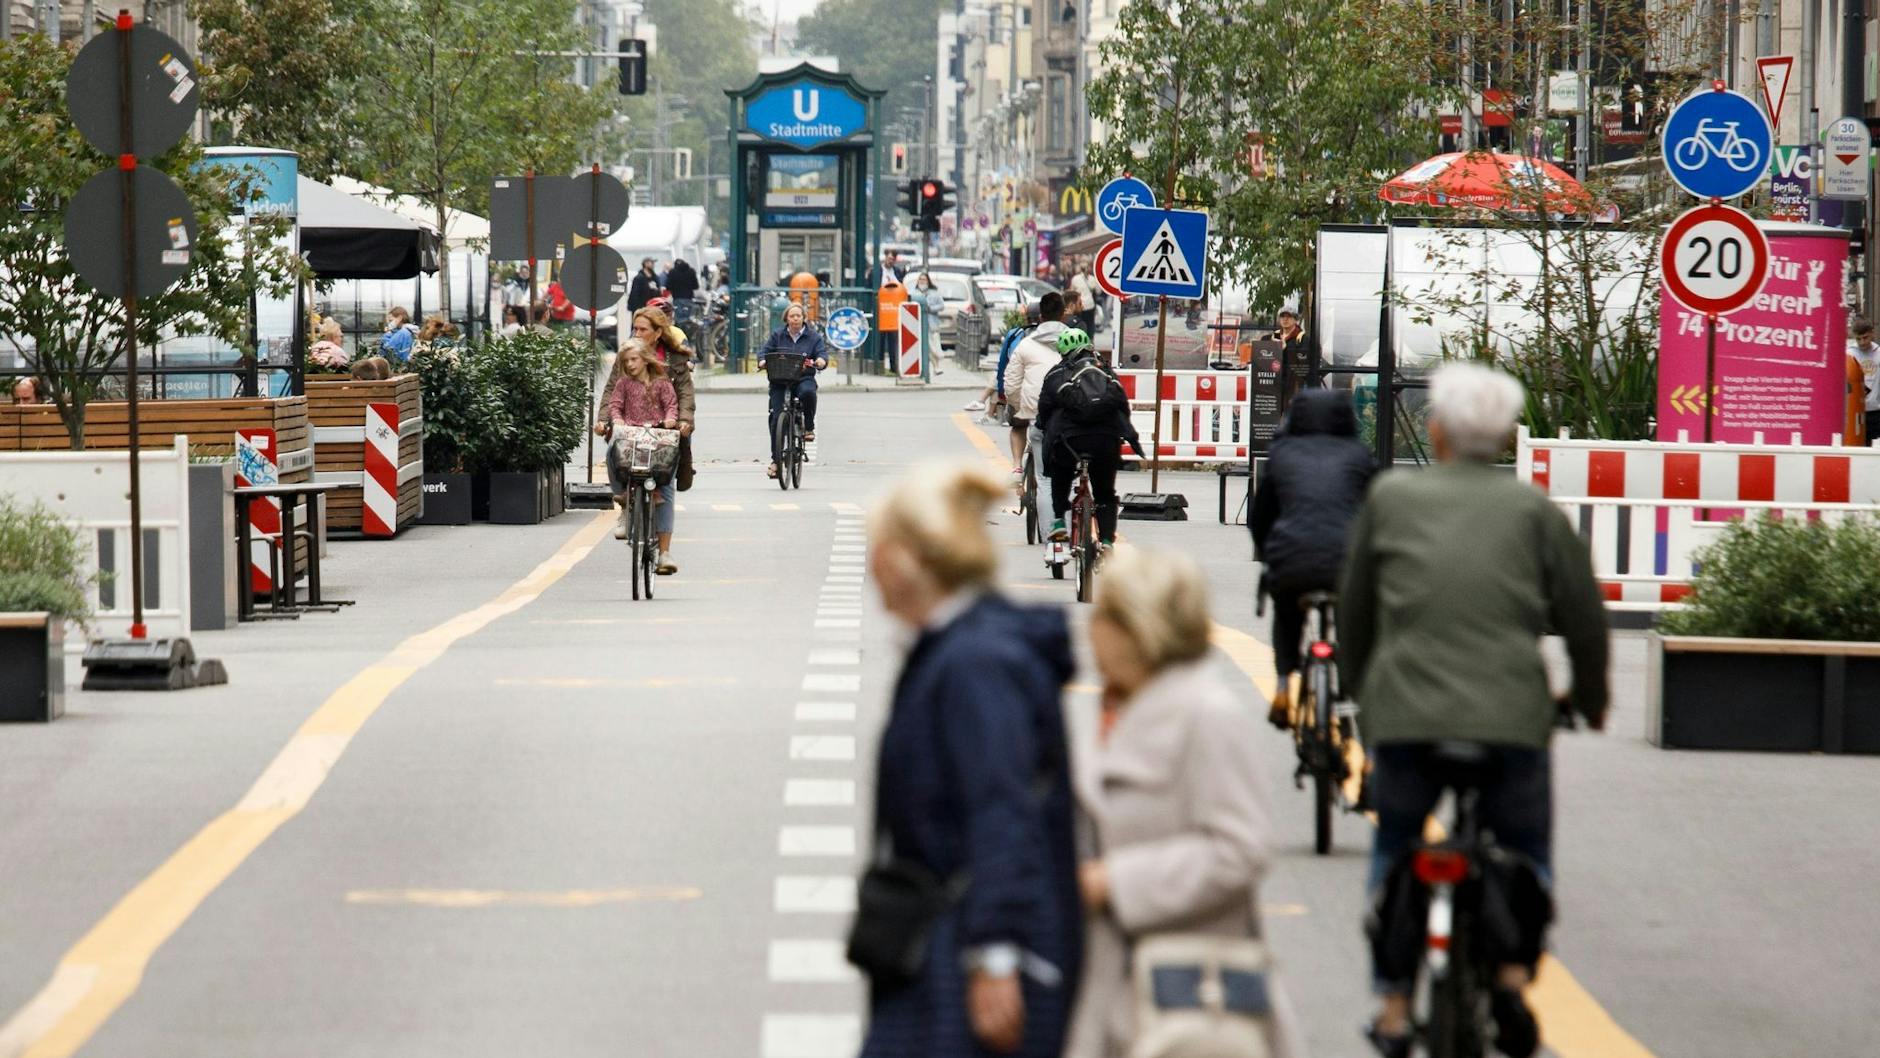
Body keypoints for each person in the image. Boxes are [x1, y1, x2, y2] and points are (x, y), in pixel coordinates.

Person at [1339, 362, 1609, 1058]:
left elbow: (1357, 614)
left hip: (1406, 713)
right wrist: (1588, 699)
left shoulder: (1391, 498)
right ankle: (1514, 979)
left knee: (1395, 847)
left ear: (1435, 429)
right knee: (1525, 848)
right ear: (1507, 437)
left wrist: (1362, 692)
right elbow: (1583, 619)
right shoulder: (1533, 511)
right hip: (1511, 715)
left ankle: (1395, 1006)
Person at [857, 462, 1082, 1058]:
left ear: (905, 560)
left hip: (968, 951)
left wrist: (996, 954)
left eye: (876, 547)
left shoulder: (973, 665)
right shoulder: (969, 647)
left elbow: (1001, 806)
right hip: (960, 938)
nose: (870, 563)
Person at [1064, 546, 1306, 1058]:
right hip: (1104, 984)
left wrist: (1115, 881)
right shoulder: (1105, 706)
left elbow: (1241, 849)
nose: (1090, 627)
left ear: (1139, 627)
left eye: (1104, 614)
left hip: (1191, 990)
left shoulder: (1204, 714)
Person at [1249, 389, 1376, 729]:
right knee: (1356, 627)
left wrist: (1266, 555)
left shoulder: (1282, 454)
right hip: (1347, 563)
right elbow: (1378, 511)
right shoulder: (1359, 455)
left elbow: (1260, 517)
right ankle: (1354, 696)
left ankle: (1282, 685)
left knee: (1288, 616)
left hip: (1292, 558)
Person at [1037, 327, 1144, 547]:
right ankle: (1106, 541)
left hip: (1070, 441)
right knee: (1105, 492)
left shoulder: (1057, 374)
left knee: (1060, 474)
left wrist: (1043, 428)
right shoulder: (1105, 372)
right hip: (1106, 440)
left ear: (1063, 352)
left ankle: (1059, 521)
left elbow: (1045, 410)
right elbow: (1123, 406)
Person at [600, 339, 680, 553]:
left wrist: (671, 419)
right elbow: (615, 405)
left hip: (656, 436)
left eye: (634, 359)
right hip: (629, 435)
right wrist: (617, 420)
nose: (630, 365)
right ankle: (622, 495)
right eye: (626, 361)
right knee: (611, 452)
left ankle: (664, 551)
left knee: (666, 469)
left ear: (645, 359)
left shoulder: (662, 382)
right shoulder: (623, 383)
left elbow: (671, 405)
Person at [758, 303, 826, 479]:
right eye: (792, 316)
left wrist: (820, 361)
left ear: (804, 318)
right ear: (786, 319)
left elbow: (822, 354)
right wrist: (762, 361)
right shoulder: (777, 335)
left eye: (798, 315)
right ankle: (776, 460)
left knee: (808, 393)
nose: (795, 318)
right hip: (780, 379)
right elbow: (764, 351)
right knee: (776, 418)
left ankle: (808, 427)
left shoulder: (813, 337)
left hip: (803, 378)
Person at [1004, 294, 1066, 482]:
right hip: (1067, 408)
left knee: (1018, 422)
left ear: (1041, 317)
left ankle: (1017, 467)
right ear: (1063, 315)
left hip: (1033, 407)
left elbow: (1012, 383)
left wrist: (1018, 405)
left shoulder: (1025, 344)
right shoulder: (1076, 341)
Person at [1270, 308, 1312, 406]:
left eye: (1289, 317)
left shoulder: (1302, 339)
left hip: (1294, 385)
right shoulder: (1274, 336)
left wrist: (1285, 349)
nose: (1285, 319)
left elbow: (1303, 365)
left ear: (1295, 320)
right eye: (1282, 316)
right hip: (1275, 383)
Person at [1850, 317, 1879, 444]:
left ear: (1872, 333)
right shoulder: (1850, 354)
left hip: (1876, 413)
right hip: (1854, 413)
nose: (1862, 342)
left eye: (1865, 337)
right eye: (1858, 339)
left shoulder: (1879, 353)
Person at [877, 275, 909, 368]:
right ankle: (880, 364)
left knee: (894, 342)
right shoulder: (879, 273)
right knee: (881, 342)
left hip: (894, 316)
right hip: (884, 315)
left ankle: (894, 366)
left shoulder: (897, 272)